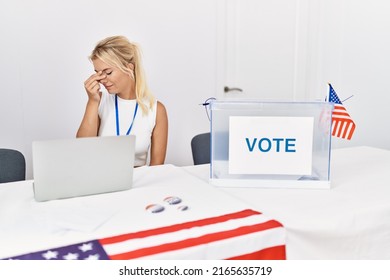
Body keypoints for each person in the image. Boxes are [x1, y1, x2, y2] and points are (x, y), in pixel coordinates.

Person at [77, 36, 168, 166]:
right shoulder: (99, 101)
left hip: (139, 182)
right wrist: (92, 101)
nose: (102, 79)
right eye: (98, 73)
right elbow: (82, 150)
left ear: (129, 68)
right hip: (102, 180)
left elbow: (157, 167)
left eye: (108, 72)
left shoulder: (156, 110)